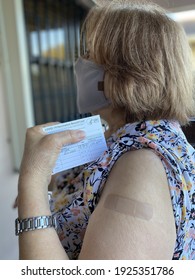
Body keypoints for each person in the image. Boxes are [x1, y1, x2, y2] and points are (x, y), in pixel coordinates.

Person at [16, 0, 195, 260]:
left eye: (90, 54)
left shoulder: (141, 164)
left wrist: (30, 184)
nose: (80, 63)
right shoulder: (124, 137)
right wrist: (50, 182)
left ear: (127, 73)